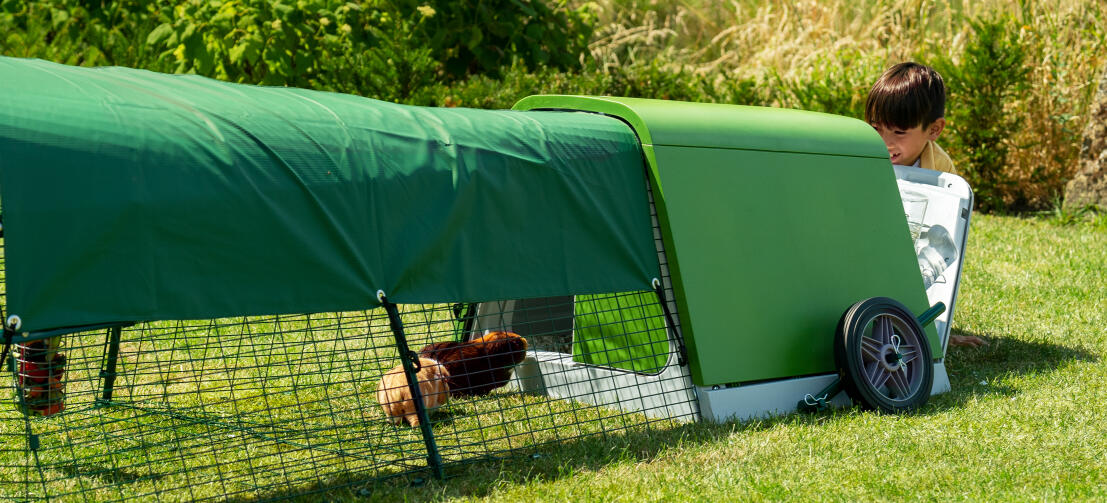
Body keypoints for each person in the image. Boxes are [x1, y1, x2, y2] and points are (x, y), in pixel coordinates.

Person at [864, 62, 986, 348]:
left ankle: (925, 331)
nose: (884, 142)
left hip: (913, 245)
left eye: (898, 132)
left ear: (934, 129)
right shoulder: (862, 152)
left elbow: (945, 238)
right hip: (867, 244)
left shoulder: (941, 169)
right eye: (876, 128)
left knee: (918, 276)